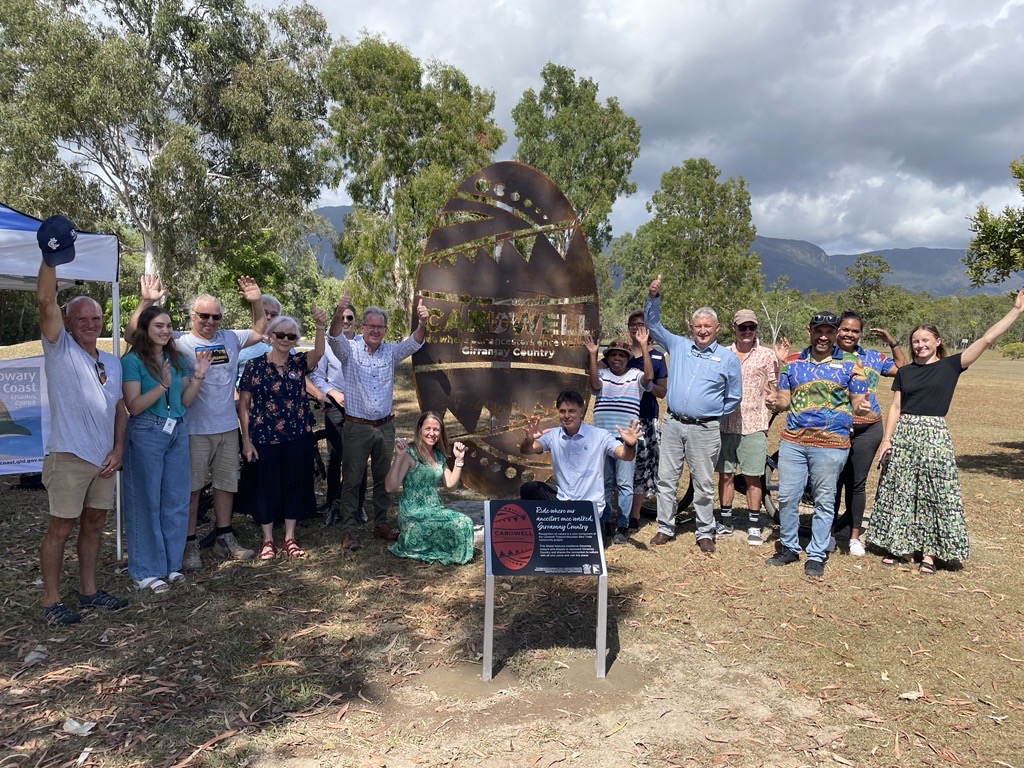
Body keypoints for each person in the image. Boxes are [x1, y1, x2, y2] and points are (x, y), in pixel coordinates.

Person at [867, 288, 1024, 574]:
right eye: (915, 341)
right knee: (900, 490)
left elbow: (987, 339)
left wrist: (1015, 311)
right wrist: (887, 439)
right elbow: (896, 407)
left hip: (934, 433)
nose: (920, 345)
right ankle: (900, 547)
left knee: (935, 492)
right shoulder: (905, 372)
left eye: (925, 340)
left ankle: (930, 553)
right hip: (905, 434)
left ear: (938, 342)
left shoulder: (951, 366)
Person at [129, 273, 268, 569]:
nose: (210, 321)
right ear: (193, 316)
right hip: (192, 429)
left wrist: (256, 302)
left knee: (225, 484)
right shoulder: (178, 341)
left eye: (215, 316)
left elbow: (258, 330)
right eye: (204, 315)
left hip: (227, 427)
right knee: (190, 489)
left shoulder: (230, 337)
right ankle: (188, 543)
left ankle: (223, 536)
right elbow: (133, 335)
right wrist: (146, 301)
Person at [35, 215, 128, 625]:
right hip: (69, 455)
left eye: (96, 319)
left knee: (93, 526)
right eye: (83, 319)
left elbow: (120, 409)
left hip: (104, 460)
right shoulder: (59, 348)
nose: (91, 324)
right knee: (61, 528)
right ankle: (51, 601)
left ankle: (89, 592)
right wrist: (50, 259)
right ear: (69, 324)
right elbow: (44, 301)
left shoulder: (111, 359)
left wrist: (119, 447)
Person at [765, 312, 869, 578]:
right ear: (809, 330)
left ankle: (816, 553)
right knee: (788, 497)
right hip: (794, 441)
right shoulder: (793, 363)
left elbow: (857, 399)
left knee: (824, 500)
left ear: (835, 334)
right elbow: (785, 401)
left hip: (832, 443)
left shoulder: (851, 363)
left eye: (829, 332)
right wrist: (775, 402)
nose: (824, 336)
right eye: (818, 331)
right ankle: (789, 547)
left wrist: (861, 405)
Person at [644, 274, 742, 553]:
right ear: (691, 327)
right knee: (666, 478)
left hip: (705, 428)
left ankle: (704, 531)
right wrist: (652, 297)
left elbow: (734, 396)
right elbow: (652, 324)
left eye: (707, 326)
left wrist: (711, 414)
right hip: (673, 423)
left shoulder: (727, 358)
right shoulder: (678, 345)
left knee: (702, 481)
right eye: (698, 326)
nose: (702, 330)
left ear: (717, 328)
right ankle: (665, 527)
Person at [327, 291, 429, 551]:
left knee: (384, 476)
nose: (375, 330)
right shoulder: (349, 351)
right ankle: (349, 529)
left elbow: (415, 341)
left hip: (384, 426)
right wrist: (340, 311)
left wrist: (422, 321)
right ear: (362, 327)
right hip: (356, 426)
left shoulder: (391, 352)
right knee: (352, 478)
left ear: (385, 330)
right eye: (370, 325)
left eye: (379, 326)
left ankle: (381, 523)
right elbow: (334, 336)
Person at [121, 306, 212, 593]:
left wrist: (197, 377)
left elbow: (184, 400)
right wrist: (162, 385)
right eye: (159, 325)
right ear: (145, 329)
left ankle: (171, 564)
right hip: (147, 430)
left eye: (169, 325)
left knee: (175, 499)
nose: (165, 330)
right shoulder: (132, 361)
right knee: (146, 500)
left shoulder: (176, 358)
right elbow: (133, 406)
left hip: (177, 428)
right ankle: (145, 570)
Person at [238, 307, 328, 559]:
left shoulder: (298, 363)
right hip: (263, 437)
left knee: (293, 484)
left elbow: (319, 352)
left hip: (297, 435)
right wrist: (246, 440)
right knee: (265, 488)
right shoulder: (254, 366)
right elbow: (244, 404)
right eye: (280, 335)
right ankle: (267, 540)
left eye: (291, 337)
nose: (286, 340)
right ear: (269, 336)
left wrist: (320, 326)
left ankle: (290, 537)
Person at [832, 312, 905, 556]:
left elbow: (903, 369)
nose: (849, 334)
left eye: (854, 331)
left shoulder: (872, 357)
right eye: (845, 329)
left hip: (869, 427)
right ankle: (829, 533)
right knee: (832, 482)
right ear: (837, 330)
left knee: (857, 483)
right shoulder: (826, 356)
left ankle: (854, 537)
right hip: (836, 427)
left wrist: (892, 341)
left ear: (860, 334)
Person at [716, 310, 783, 546]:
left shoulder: (766, 355)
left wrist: (775, 398)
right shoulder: (722, 353)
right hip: (725, 423)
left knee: (753, 476)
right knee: (726, 474)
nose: (747, 332)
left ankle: (754, 525)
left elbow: (777, 386)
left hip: (754, 423)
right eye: (742, 327)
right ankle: (725, 522)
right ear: (733, 327)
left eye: (751, 327)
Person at [519, 391, 639, 523]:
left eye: (572, 411)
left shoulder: (599, 435)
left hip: (589, 507)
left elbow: (625, 455)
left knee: (583, 541)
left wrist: (630, 444)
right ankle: (544, 528)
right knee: (529, 489)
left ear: (581, 412)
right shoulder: (553, 435)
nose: (567, 416)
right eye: (562, 411)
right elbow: (528, 449)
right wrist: (528, 439)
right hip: (564, 500)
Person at [585, 334, 653, 544]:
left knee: (624, 483)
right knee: (604, 482)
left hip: (626, 441)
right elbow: (594, 384)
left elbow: (649, 378)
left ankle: (622, 524)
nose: (617, 359)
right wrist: (593, 354)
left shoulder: (635, 375)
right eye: (613, 355)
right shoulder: (602, 374)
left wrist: (643, 345)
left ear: (627, 358)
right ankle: (605, 521)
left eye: (621, 356)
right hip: (602, 439)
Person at [384, 412, 474, 565]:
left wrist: (459, 460)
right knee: (461, 523)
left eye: (436, 430)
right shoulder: (409, 454)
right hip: (413, 513)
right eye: (428, 429)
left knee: (465, 522)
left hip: (434, 509)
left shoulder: (438, 455)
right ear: (420, 429)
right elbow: (389, 487)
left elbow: (451, 486)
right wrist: (398, 457)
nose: (432, 433)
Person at [308, 303, 367, 526]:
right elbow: (317, 377)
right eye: (341, 318)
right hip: (335, 404)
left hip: (360, 407)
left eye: (349, 318)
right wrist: (332, 392)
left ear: (355, 320)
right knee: (336, 455)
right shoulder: (329, 345)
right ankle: (334, 502)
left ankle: (358, 503)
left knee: (359, 455)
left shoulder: (363, 343)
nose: (345, 322)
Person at [624, 311, 668, 531]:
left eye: (641, 324)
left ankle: (635, 513)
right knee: (621, 464)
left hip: (646, 418)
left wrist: (647, 386)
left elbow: (662, 392)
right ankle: (620, 510)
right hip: (622, 417)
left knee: (641, 467)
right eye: (633, 324)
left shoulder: (658, 356)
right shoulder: (620, 353)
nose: (637, 328)